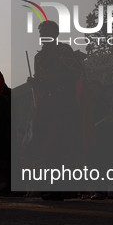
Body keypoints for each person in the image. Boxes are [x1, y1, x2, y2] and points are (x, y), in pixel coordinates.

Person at [26, 20, 94, 200]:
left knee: (66, 141)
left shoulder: (64, 51)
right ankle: (52, 186)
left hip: (65, 103)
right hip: (47, 104)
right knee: (47, 143)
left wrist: (53, 78)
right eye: (41, 31)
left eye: (46, 31)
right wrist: (35, 83)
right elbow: (40, 81)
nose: (42, 35)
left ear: (55, 33)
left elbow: (77, 74)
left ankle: (70, 186)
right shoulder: (38, 57)